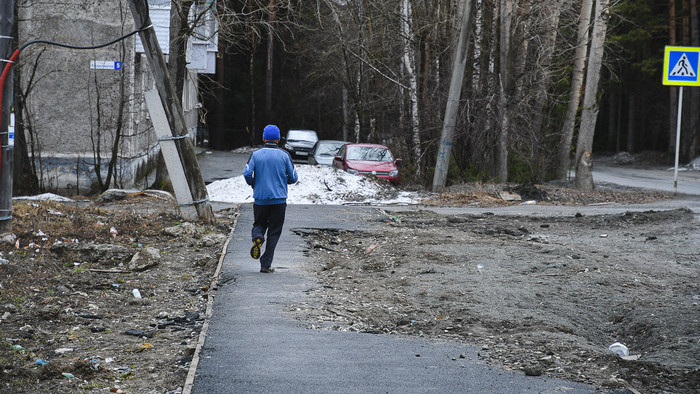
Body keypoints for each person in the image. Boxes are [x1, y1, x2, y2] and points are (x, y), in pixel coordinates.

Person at [243, 125, 298, 273]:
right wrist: (284, 180)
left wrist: (254, 183)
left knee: (259, 224)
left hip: (260, 199)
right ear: (279, 139)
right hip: (279, 200)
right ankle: (265, 265)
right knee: (274, 232)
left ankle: (258, 236)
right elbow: (293, 177)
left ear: (263, 138)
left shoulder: (256, 154)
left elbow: (247, 173)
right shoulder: (284, 155)